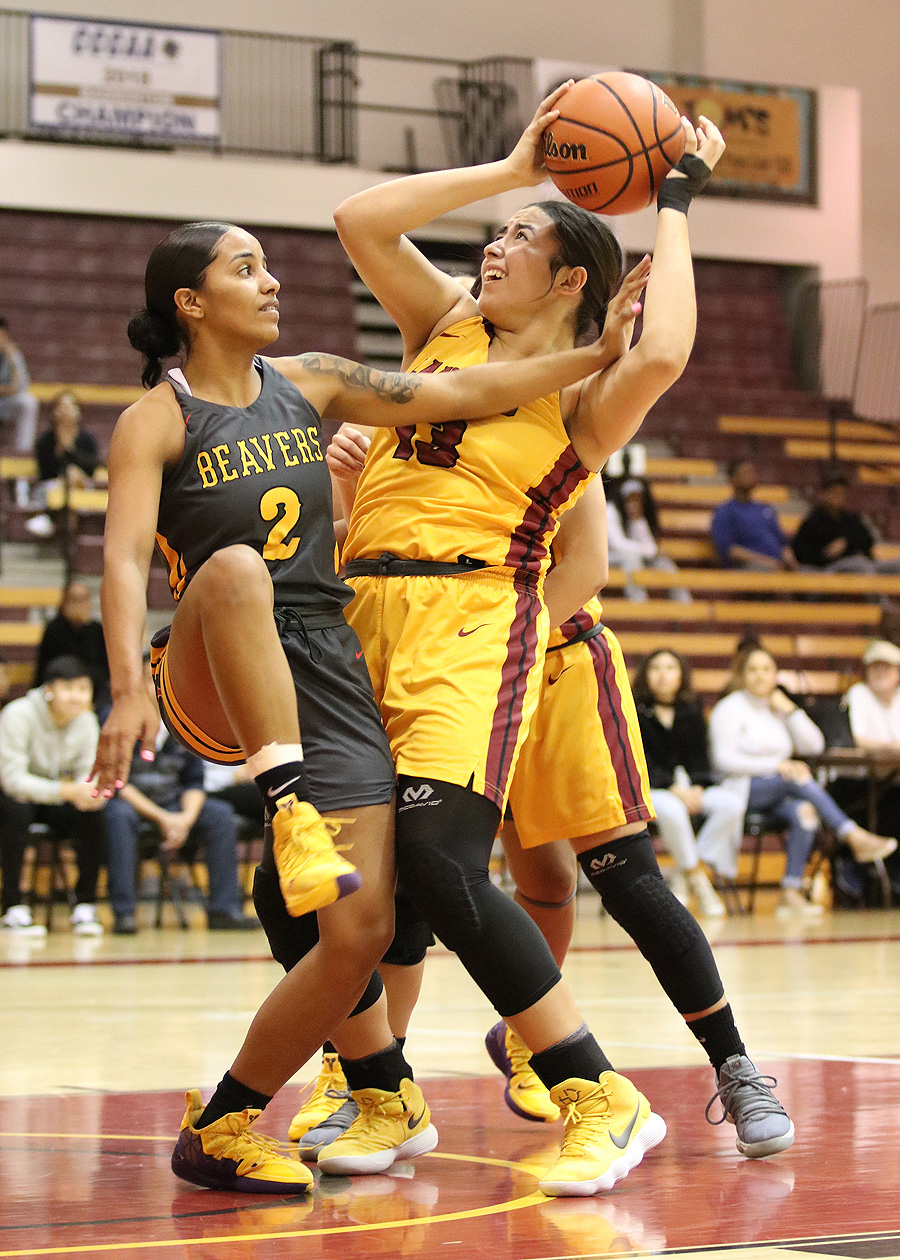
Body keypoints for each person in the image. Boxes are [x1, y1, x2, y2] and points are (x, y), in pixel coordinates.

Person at [93, 218, 636, 1195]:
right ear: (190, 302)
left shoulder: (312, 379)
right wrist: (125, 691)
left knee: (356, 926)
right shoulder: (157, 417)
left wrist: (594, 354)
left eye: (268, 267)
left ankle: (232, 1120)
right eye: (245, 268)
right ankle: (288, 801)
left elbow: (463, 390)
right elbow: (124, 560)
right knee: (235, 570)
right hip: (214, 662)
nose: (271, 282)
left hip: (327, 659)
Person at [330, 87, 725, 1196]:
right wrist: (512, 169)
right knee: (327, 880)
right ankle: (375, 1086)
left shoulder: (587, 393)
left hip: (472, 622)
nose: (495, 244)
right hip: (359, 617)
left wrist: (679, 202)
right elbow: (362, 216)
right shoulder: (444, 323)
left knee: (438, 865)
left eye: (521, 237)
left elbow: (666, 355)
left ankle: (601, 1093)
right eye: (498, 232)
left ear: (569, 282)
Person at [708, 645, 897, 917]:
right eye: (753, 670)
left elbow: (815, 745)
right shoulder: (729, 708)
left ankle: (790, 891)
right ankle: (852, 834)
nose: (760, 676)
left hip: (778, 793)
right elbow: (722, 760)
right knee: (796, 778)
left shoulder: (777, 709)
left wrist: (791, 712)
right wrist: (776, 766)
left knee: (804, 812)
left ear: (776, 675)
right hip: (739, 789)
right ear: (741, 675)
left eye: (766, 670)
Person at [104, 658, 260, 935]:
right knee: (117, 815)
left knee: (219, 814)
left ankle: (224, 910)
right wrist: (164, 818)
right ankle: (124, 913)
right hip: (133, 804)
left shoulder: (182, 722)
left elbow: (194, 782)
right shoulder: (115, 719)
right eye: (151, 679)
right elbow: (116, 783)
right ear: (137, 684)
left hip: (173, 803)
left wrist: (185, 818)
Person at [0, 656, 106, 937]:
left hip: (57, 797)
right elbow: (12, 780)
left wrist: (91, 794)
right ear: (49, 690)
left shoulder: (87, 721)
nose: (77, 697)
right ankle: (13, 907)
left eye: (84, 689)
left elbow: (89, 774)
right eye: (69, 689)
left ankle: (85, 905)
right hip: (18, 798)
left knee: (94, 814)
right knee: (15, 811)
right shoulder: (18, 714)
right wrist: (67, 790)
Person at [632, 648, 740, 910]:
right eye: (655, 668)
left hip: (691, 784)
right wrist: (673, 787)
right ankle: (701, 885)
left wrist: (699, 787)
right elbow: (640, 761)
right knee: (672, 809)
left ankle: (686, 872)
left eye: (670, 668)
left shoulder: (691, 710)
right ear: (645, 675)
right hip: (652, 788)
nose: (663, 675)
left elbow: (701, 758)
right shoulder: (634, 710)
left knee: (731, 804)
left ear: (681, 675)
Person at [828, 639, 900, 901]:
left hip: (891, 780)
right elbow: (860, 741)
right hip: (854, 781)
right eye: (875, 667)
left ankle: (892, 870)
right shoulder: (858, 694)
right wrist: (892, 748)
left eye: (887, 667)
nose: (880, 672)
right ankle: (851, 865)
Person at [26, 391, 102, 540]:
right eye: (62, 406)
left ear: (78, 412)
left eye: (70, 406)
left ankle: (49, 519)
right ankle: (71, 543)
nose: (66, 411)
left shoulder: (87, 439)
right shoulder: (44, 441)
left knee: (73, 475)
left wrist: (69, 450)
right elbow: (45, 473)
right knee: (68, 480)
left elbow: (91, 468)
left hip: (83, 488)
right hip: (50, 488)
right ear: (54, 412)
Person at [605, 477, 691, 602]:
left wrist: (637, 521)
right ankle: (639, 602)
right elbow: (618, 544)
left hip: (638, 556)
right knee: (630, 558)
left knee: (664, 563)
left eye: (638, 498)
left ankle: (685, 605)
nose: (634, 502)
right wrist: (648, 551)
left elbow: (649, 546)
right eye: (631, 497)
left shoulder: (640, 516)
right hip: (608, 558)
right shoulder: (611, 511)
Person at [36, 581, 110, 716]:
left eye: (82, 600)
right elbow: (44, 669)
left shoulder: (97, 630)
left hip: (93, 695)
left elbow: (105, 671)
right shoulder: (53, 630)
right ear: (64, 601)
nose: (78, 605)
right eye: (74, 599)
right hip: (59, 692)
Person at [711, 459, 798, 571]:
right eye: (746, 473)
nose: (751, 476)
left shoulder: (765, 508)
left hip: (777, 565)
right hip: (748, 568)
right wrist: (766, 562)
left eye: (753, 472)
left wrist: (790, 561)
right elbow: (728, 549)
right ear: (733, 479)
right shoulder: (725, 511)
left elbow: (782, 543)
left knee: (811, 574)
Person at [0, 316, 39, 453]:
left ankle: (23, 451)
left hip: (5, 404)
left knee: (28, 402)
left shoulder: (13, 355)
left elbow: (20, 386)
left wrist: (12, 360)